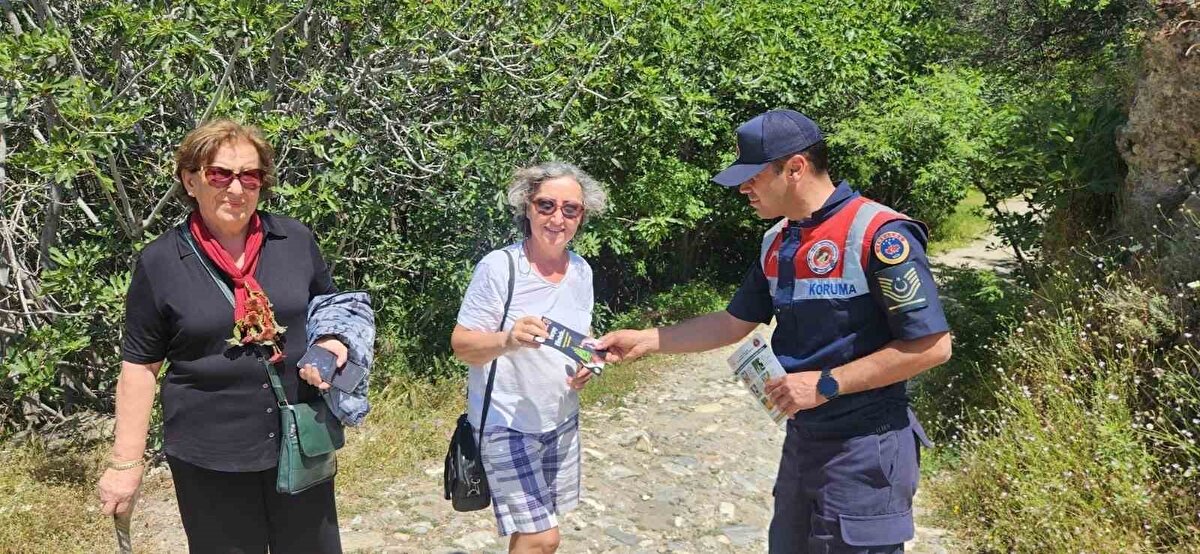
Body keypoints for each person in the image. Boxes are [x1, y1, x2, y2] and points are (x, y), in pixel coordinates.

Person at [597, 109, 952, 553]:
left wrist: (826, 383)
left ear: (796, 168)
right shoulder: (779, 240)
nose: (744, 188)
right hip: (804, 442)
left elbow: (932, 347)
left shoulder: (879, 234)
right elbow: (732, 322)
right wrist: (647, 340)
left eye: (753, 177)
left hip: (867, 447)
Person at [97, 119, 347, 552]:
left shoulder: (293, 239)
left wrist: (333, 343)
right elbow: (140, 366)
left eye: (250, 176)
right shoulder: (161, 262)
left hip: (299, 441)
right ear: (190, 181)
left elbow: (332, 310)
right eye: (220, 174)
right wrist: (125, 463)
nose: (236, 188)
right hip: (209, 454)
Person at [450, 162, 608, 554]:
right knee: (544, 537)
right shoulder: (500, 268)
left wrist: (591, 363)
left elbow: (579, 339)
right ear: (527, 208)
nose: (557, 218)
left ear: (581, 216)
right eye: (546, 205)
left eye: (570, 209)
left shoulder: (582, 271)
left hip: (560, 418)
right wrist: (507, 338)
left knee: (534, 530)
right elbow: (461, 344)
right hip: (506, 423)